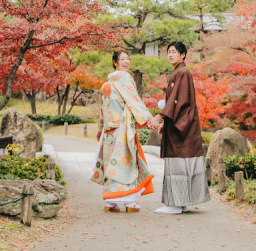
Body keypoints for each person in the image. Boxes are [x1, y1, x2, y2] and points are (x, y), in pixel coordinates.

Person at [90, 50, 156, 212]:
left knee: (111, 165)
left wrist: (101, 129)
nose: (127, 62)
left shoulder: (107, 85)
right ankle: (129, 203)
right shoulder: (125, 78)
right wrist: (149, 119)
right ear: (115, 62)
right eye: (123, 59)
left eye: (128, 59)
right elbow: (135, 102)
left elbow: (102, 111)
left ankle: (110, 204)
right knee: (126, 165)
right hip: (123, 130)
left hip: (109, 131)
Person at [149, 41, 210, 214]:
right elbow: (175, 102)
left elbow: (177, 101)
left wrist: (159, 117)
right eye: (168, 51)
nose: (170, 54)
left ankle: (175, 205)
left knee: (177, 163)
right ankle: (180, 203)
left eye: (174, 52)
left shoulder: (182, 72)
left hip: (181, 126)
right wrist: (165, 123)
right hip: (180, 124)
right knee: (181, 165)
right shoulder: (180, 72)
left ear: (182, 55)